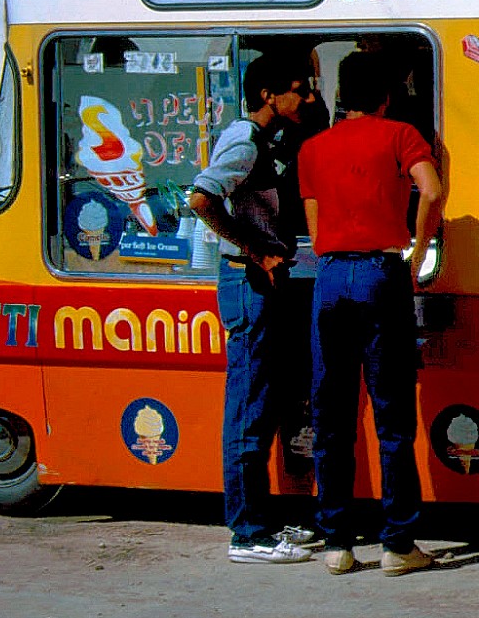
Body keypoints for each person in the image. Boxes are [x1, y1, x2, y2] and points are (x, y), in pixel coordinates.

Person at [300, 50, 445, 576]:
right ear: (386, 96)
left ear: (341, 96)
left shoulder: (313, 148)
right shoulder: (401, 135)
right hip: (381, 273)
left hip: (330, 276)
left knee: (332, 415)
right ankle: (398, 544)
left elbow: (315, 230)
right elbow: (431, 189)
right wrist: (417, 247)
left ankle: (336, 542)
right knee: (393, 417)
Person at [188, 54, 319, 564]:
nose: (306, 98)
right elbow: (201, 199)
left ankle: (262, 518)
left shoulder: (266, 141)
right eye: (297, 89)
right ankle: (248, 534)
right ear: (267, 95)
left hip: (264, 280)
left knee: (264, 404)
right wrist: (252, 248)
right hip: (247, 283)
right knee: (248, 405)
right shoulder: (244, 141)